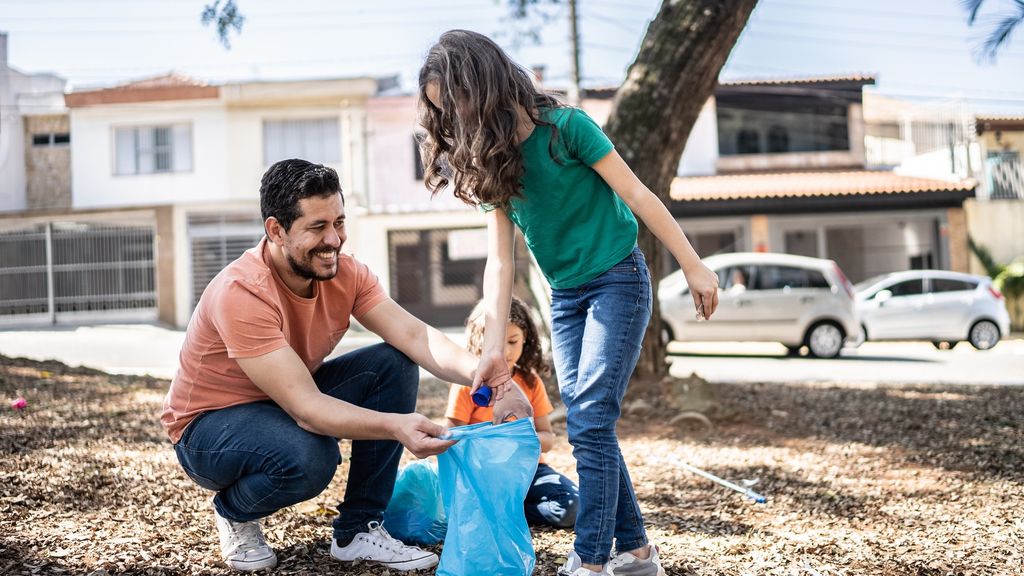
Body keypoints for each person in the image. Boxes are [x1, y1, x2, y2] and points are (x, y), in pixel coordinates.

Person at [418, 30, 720, 576]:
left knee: (587, 417)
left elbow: (638, 195)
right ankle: (637, 552)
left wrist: (693, 263)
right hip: (565, 297)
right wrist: (490, 344)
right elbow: (500, 263)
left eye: (458, 102)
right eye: (446, 112)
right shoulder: (492, 162)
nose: (457, 119)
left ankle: (591, 558)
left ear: (484, 84)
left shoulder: (567, 129)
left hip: (617, 281)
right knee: (590, 421)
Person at [160, 158, 531, 573]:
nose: (334, 239)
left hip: (279, 402)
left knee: (393, 362)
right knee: (310, 457)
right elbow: (306, 407)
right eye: (317, 227)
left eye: (339, 222)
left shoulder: (344, 273)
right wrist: (395, 425)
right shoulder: (242, 292)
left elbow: (414, 336)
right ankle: (234, 511)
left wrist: (490, 376)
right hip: (209, 430)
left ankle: (358, 531)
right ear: (276, 230)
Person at [446, 297, 579, 529]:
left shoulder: (530, 381)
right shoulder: (469, 384)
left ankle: (506, 510)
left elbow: (547, 440)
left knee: (574, 507)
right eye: (496, 342)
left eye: (513, 341)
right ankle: (498, 507)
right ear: (479, 340)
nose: (505, 351)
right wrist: (488, 441)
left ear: (525, 339)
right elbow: (450, 437)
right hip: (483, 474)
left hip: (529, 472)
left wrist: (518, 438)